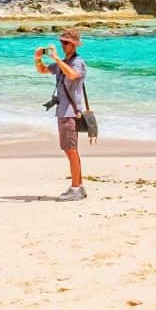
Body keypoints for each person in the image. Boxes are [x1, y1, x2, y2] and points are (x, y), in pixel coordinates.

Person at [34, 29, 89, 201]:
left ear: (73, 45)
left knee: (71, 150)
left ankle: (76, 188)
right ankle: (77, 186)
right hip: (63, 112)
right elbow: (43, 70)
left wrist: (56, 58)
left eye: (66, 43)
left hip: (71, 113)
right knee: (69, 149)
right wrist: (37, 58)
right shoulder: (63, 63)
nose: (63, 46)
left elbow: (72, 75)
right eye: (62, 43)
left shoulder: (77, 62)